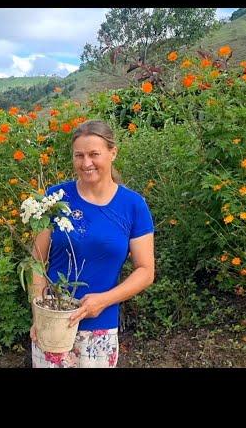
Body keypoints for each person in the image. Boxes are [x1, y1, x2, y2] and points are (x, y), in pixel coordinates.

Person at [30, 119, 155, 368]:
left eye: (94, 154)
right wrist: (39, 315)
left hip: (101, 330)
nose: (86, 163)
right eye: (79, 155)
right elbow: (37, 262)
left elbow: (145, 270)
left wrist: (104, 300)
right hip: (53, 324)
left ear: (113, 153)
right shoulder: (56, 199)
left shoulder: (133, 205)